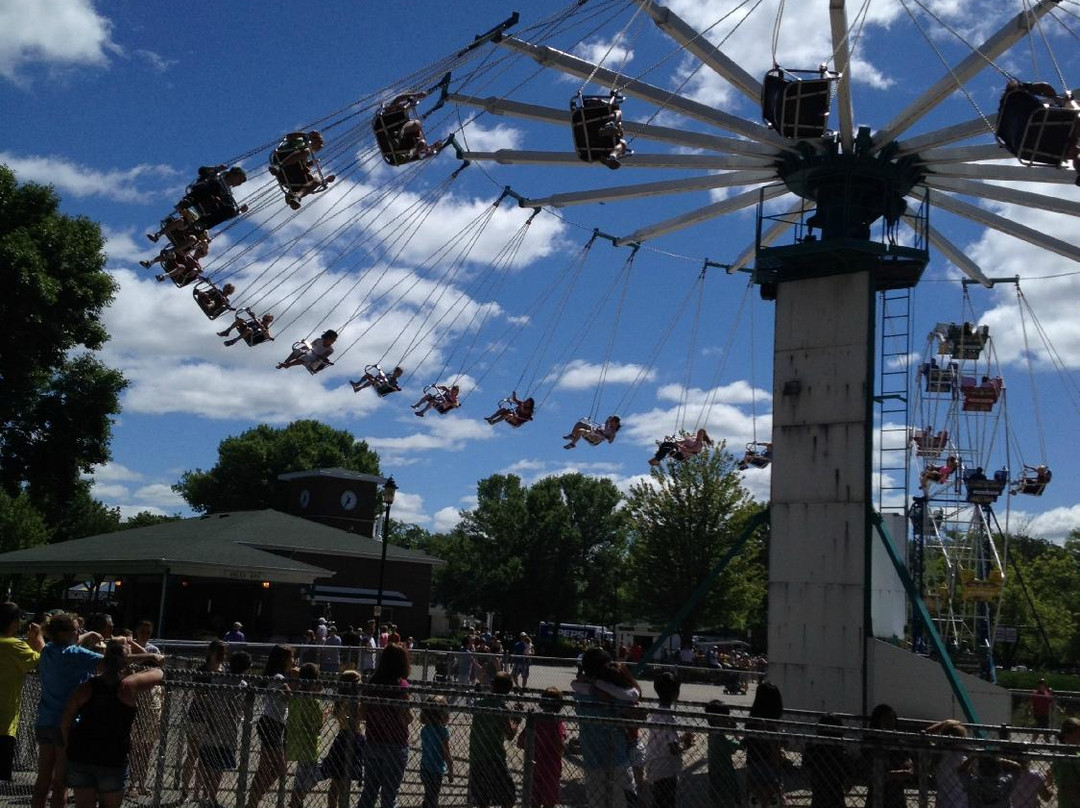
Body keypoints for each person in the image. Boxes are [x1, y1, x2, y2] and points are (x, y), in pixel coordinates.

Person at [60, 639, 164, 808]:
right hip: (112, 758)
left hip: (82, 755)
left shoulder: (87, 687)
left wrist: (67, 746)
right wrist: (144, 658)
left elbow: (65, 720)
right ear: (125, 662)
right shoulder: (127, 686)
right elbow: (158, 672)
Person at [32, 613, 106, 808]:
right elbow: (109, 662)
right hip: (67, 725)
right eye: (75, 629)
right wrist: (149, 656)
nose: (78, 632)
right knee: (61, 783)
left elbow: (68, 644)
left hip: (45, 722)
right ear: (63, 633)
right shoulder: (76, 654)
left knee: (43, 780)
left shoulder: (48, 650)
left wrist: (88, 634)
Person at [572, 647, 641, 808]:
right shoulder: (616, 699)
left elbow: (575, 685)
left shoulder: (580, 695)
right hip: (618, 761)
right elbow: (633, 694)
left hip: (591, 763)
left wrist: (593, 685)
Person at [194, 650, 252, 805]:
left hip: (213, 727)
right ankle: (210, 796)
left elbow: (208, 703)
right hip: (226, 731)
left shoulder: (218, 679)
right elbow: (240, 709)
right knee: (217, 767)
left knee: (209, 764)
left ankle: (206, 795)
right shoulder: (241, 685)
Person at [358, 643, 412, 808]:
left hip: (374, 741)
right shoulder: (401, 686)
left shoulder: (372, 684)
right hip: (395, 744)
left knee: (369, 791)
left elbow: (362, 713)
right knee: (389, 795)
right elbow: (406, 718)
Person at [245, 644, 295, 808]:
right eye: (291, 658)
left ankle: (252, 802)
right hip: (271, 723)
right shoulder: (278, 677)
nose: (293, 661)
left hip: (274, 723)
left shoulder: (278, 676)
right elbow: (290, 696)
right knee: (279, 767)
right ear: (283, 660)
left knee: (266, 767)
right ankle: (253, 801)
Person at [179, 639, 228, 801]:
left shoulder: (224, 670)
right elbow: (199, 695)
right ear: (211, 653)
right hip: (198, 716)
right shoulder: (202, 670)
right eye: (219, 652)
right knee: (193, 753)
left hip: (215, 719)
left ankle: (198, 791)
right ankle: (185, 790)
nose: (222, 656)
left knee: (206, 757)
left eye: (223, 653)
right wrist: (212, 699)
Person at [1, 602, 44, 782]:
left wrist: (29, 641)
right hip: (4, 720)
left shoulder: (12, 645)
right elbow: (43, 660)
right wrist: (39, 637)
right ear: (12, 622)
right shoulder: (13, 645)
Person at [469, 671, 521, 808]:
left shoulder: (480, 704)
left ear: (492, 686)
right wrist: (516, 720)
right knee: (509, 797)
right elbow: (510, 735)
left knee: (482, 799)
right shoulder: (502, 709)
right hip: (494, 758)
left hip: (477, 757)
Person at [645, 671, 693, 808]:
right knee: (666, 802)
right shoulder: (670, 717)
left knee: (657, 801)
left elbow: (664, 738)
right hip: (665, 769)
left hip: (654, 764)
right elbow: (673, 749)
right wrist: (686, 745)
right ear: (676, 693)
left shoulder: (656, 712)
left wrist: (680, 738)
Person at [128, 620, 163, 796]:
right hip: (134, 698)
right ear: (136, 631)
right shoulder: (128, 647)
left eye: (148, 632)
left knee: (147, 745)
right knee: (134, 746)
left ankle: (142, 781)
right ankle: (132, 783)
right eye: (142, 631)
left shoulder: (153, 650)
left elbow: (158, 669)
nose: (145, 634)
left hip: (149, 698)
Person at [517, 687, 566, 808]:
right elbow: (560, 748)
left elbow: (520, 742)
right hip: (551, 769)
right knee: (549, 803)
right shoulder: (557, 723)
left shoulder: (535, 720)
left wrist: (534, 745)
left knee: (533, 802)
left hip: (534, 767)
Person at [324, 670, 364, 808]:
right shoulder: (348, 702)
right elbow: (359, 716)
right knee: (338, 783)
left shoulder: (344, 701)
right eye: (359, 682)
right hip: (348, 739)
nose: (362, 684)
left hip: (349, 738)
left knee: (340, 783)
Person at [287, 663, 325, 808]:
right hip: (310, 744)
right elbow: (318, 725)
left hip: (296, 741)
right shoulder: (314, 702)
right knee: (313, 774)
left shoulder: (295, 697)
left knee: (301, 775)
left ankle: (296, 802)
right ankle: (296, 800)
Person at [743, 681, 786, 808]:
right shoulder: (770, 726)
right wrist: (780, 760)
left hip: (753, 765)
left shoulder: (751, 723)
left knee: (755, 799)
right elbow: (775, 753)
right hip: (769, 768)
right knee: (772, 800)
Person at [270, 131, 336, 209]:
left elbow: (302, 166)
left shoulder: (306, 154)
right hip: (282, 157)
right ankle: (278, 166)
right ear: (314, 139)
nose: (321, 145)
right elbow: (288, 136)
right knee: (306, 151)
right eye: (319, 142)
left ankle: (296, 197)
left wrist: (326, 180)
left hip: (290, 173)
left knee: (317, 180)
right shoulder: (302, 140)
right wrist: (304, 134)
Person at [864, 703, 913, 808]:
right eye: (885, 719)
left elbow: (908, 764)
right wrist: (893, 775)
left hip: (896, 797)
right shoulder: (871, 743)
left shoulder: (899, 744)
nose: (889, 722)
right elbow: (869, 772)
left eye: (891, 718)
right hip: (876, 795)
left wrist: (908, 767)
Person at [802, 714, 852, 808]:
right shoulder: (841, 755)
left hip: (818, 799)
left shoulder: (813, 753)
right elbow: (848, 786)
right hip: (837, 800)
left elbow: (805, 775)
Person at [923, 718, 968, 808]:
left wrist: (944, 723)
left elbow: (925, 734)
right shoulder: (962, 759)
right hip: (961, 804)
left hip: (942, 803)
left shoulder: (939, 755)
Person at [704, 700, 740, 808]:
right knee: (728, 802)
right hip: (726, 776)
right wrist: (735, 732)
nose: (727, 720)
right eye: (725, 718)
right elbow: (738, 746)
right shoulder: (720, 740)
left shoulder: (711, 734)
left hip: (714, 774)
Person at [420, 695, 454, 808]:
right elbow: (446, 753)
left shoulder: (424, 730)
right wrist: (451, 770)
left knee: (429, 795)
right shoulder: (443, 732)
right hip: (436, 770)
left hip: (424, 768)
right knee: (433, 797)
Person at [648, 427, 713, 466]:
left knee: (666, 449)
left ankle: (657, 460)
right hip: (679, 449)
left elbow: (688, 450)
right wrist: (676, 442)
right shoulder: (693, 438)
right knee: (665, 444)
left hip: (682, 456)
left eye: (700, 434)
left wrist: (678, 445)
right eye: (698, 433)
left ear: (703, 435)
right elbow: (684, 441)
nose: (698, 434)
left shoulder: (699, 445)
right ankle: (657, 459)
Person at [1053, 718, 1080, 808]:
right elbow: (1069, 786)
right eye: (1078, 734)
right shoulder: (1063, 757)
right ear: (1067, 735)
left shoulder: (1076, 752)